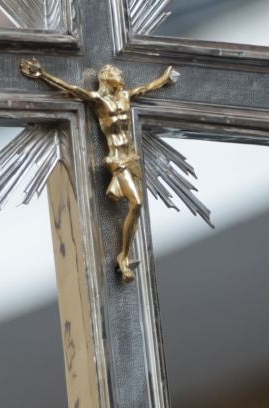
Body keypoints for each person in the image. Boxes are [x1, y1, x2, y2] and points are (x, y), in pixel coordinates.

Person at [20, 59, 178, 281]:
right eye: (117, 73)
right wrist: (43, 73)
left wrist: (164, 79)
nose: (121, 76)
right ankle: (124, 256)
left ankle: (114, 193)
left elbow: (145, 89)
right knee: (137, 203)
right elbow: (72, 89)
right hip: (117, 160)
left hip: (132, 158)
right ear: (105, 78)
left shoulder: (125, 97)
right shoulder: (98, 100)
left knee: (136, 203)